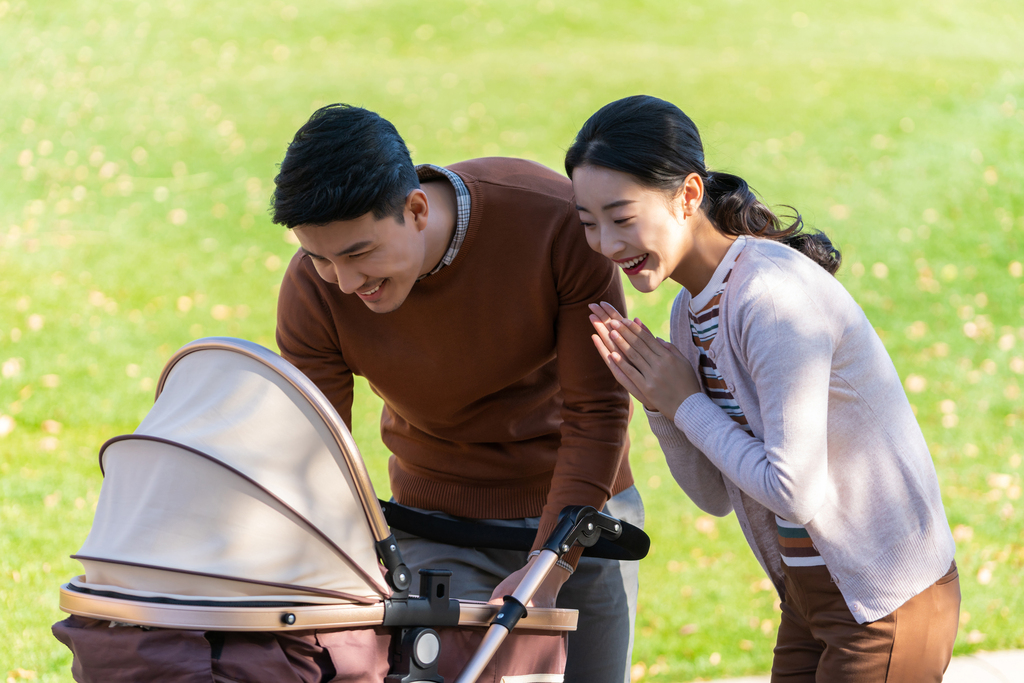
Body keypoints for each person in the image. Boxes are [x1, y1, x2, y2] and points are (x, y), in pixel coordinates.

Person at [565, 95, 959, 682]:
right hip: (807, 598)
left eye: (621, 218)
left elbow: (794, 491)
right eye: (588, 222)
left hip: (882, 599)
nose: (605, 244)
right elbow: (714, 496)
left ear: (689, 196)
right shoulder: (689, 313)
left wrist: (683, 402)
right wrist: (659, 405)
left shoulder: (771, 300)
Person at [271, 103, 641, 682]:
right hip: (434, 523)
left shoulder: (550, 221)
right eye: (319, 257)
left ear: (416, 208)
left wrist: (553, 562)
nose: (343, 283)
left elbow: (596, 410)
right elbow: (317, 451)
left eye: (357, 253)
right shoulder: (312, 291)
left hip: (578, 514)